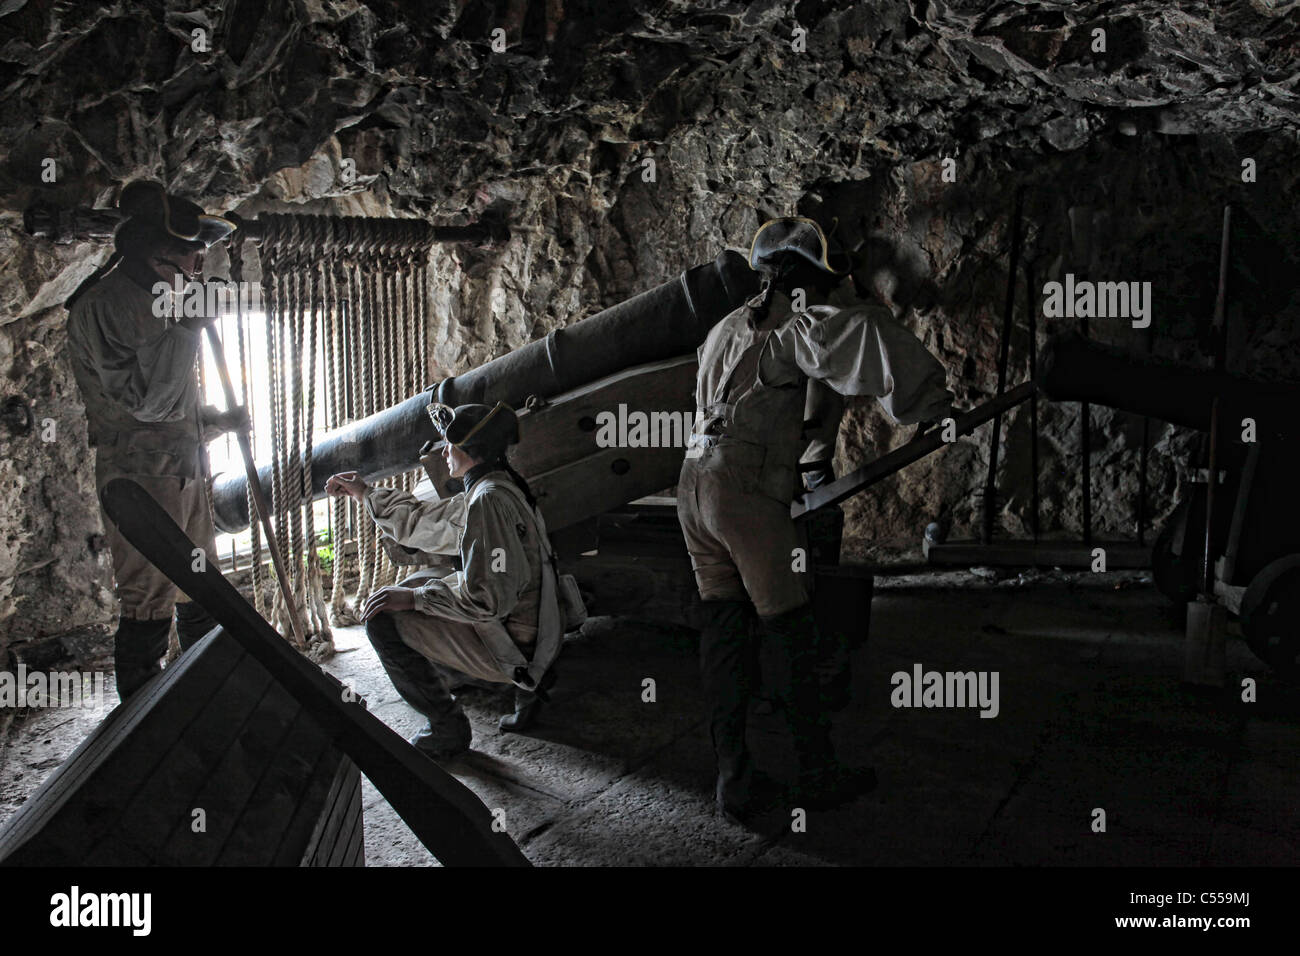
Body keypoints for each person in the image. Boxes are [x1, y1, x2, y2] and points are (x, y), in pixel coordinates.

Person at [678, 216, 955, 824]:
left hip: (693, 484)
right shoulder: (796, 325)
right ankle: (818, 772)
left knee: (724, 629)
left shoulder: (725, 328)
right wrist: (931, 404)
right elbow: (860, 335)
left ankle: (734, 780)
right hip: (742, 489)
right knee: (788, 629)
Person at [66, 181, 245, 701]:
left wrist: (213, 420)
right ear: (157, 249)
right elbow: (143, 406)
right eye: (195, 249)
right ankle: (142, 725)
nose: (200, 259)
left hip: (186, 466)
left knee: (201, 586)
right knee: (148, 599)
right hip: (141, 479)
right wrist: (188, 329)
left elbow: (173, 406)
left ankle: (206, 699)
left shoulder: (166, 297)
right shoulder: (105, 307)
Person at [325, 401, 563, 761]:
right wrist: (365, 493)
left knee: (381, 618)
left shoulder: (487, 502)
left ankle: (446, 727)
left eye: (450, 444)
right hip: (537, 624)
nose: (444, 450)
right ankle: (530, 688)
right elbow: (427, 522)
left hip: (516, 645)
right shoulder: (498, 485)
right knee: (419, 580)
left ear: (468, 451)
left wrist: (415, 600)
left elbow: (487, 600)